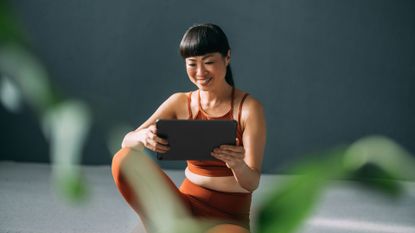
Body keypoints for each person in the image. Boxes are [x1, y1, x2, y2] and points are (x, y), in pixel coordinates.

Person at [111, 23, 266, 233]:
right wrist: (143, 137)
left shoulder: (248, 109)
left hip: (228, 217)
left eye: (209, 62)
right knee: (124, 159)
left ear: (227, 57)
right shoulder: (179, 102)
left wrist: (237, 165)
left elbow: (252, 183)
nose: (200, 72)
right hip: (183, 206)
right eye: (192, 64)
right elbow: (126, 142)